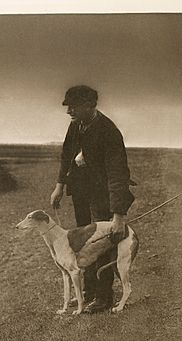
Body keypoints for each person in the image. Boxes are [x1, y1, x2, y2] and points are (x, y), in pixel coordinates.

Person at [50, 85, 135, 313]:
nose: (69, 111)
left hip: (102, 195)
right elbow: (67, 155)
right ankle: (88, 290)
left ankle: (103, 296)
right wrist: (59, 186)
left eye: (74, 106)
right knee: (82, 241)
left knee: (102, 243)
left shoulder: (109, 131)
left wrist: (118, 216)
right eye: (68, 107)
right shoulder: (75, 125)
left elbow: (118, 175)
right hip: (80, 192)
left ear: (90, 106)